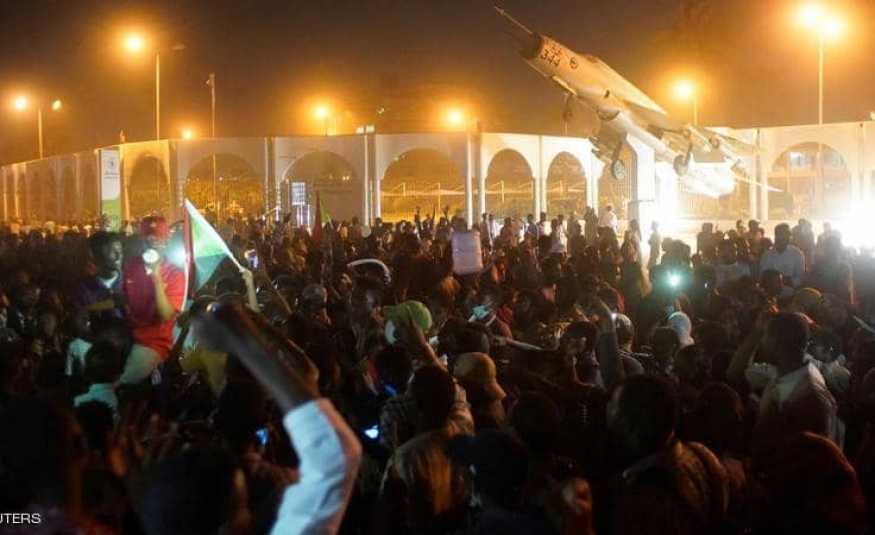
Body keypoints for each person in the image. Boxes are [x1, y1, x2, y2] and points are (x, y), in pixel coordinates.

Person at [604, 375, 729, 534]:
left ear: (632, 423)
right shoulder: (701, 454)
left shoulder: (645, 502)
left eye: (613, 405)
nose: (607, 409)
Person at [753, 313, 842, 452]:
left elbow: (806, 456)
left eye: (764, 335)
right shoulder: (785, 374)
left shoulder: (811, 399)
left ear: (776, 342)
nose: (761, 341)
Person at [120, 216, 186, 384]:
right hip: (127, 336)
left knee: (121, 382)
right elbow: (123, 300)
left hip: (154, 343)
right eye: (149, 238)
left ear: (167, 240)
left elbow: (166, 315)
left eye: (158, 238)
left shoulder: (175, 274)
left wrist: (156, 277)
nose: (153, 242)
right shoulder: (132, 267)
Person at [759, 223, 805, 287]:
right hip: (770, 291)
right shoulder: (767, 255)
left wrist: (784, 281)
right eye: (783, 234)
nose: (787, 237)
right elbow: (762, 278)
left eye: (788, 234)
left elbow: (800, 279)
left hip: (790, 292)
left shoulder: (797, 254)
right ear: (776, 236)